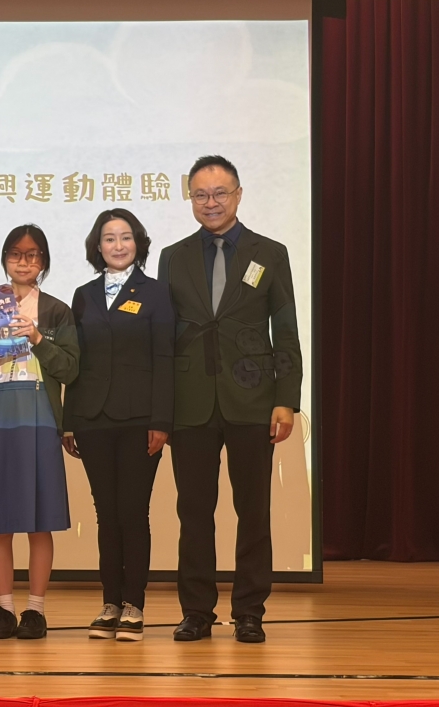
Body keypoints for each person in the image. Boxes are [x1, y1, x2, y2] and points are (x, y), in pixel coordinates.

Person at [158, 155, 302, 644]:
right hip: (190, 404)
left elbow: (285, 329)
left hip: (253, 400)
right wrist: (161, 406)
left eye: (220, 193)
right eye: (200, 194)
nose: (211, 202)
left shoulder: (270, 253)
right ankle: (196, 611)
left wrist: (286, 399)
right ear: (190, 199)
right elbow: (164, 336)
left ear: (238, 195)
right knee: (194, 513)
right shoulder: (173, 257)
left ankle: (249, 611)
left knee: (253, 512)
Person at [0, 224, 79, 640]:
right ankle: (5, 608)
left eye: (32, 255)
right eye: (15, 254)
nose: (24, 262)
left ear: (43, 261)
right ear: (5, 259)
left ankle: (35, 609)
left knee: (39, 519)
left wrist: (37, 338)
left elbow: (70, 369)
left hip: (38, 413)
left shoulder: (56, 310)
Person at [62, 209, 174, 642]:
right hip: (92, 419)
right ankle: (109, 603)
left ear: (138, 243)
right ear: (98, 246)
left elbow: (165, 358)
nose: (118, 245)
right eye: (109, 238)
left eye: (125, 237)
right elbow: (77, 363)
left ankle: (134, 605)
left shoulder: (157, 292)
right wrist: (69, 422)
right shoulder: (83, 295)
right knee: (105, 514)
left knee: (132, 511)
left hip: (140, 419)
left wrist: (162, 420)